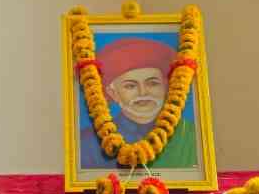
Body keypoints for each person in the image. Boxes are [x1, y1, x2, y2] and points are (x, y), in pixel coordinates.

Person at [78, 37, 198, 169]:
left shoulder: (193, 137)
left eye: (152, 83)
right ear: (113, 94)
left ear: (166, 87)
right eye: (130, 86)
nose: (143, 93)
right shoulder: (86, 143)